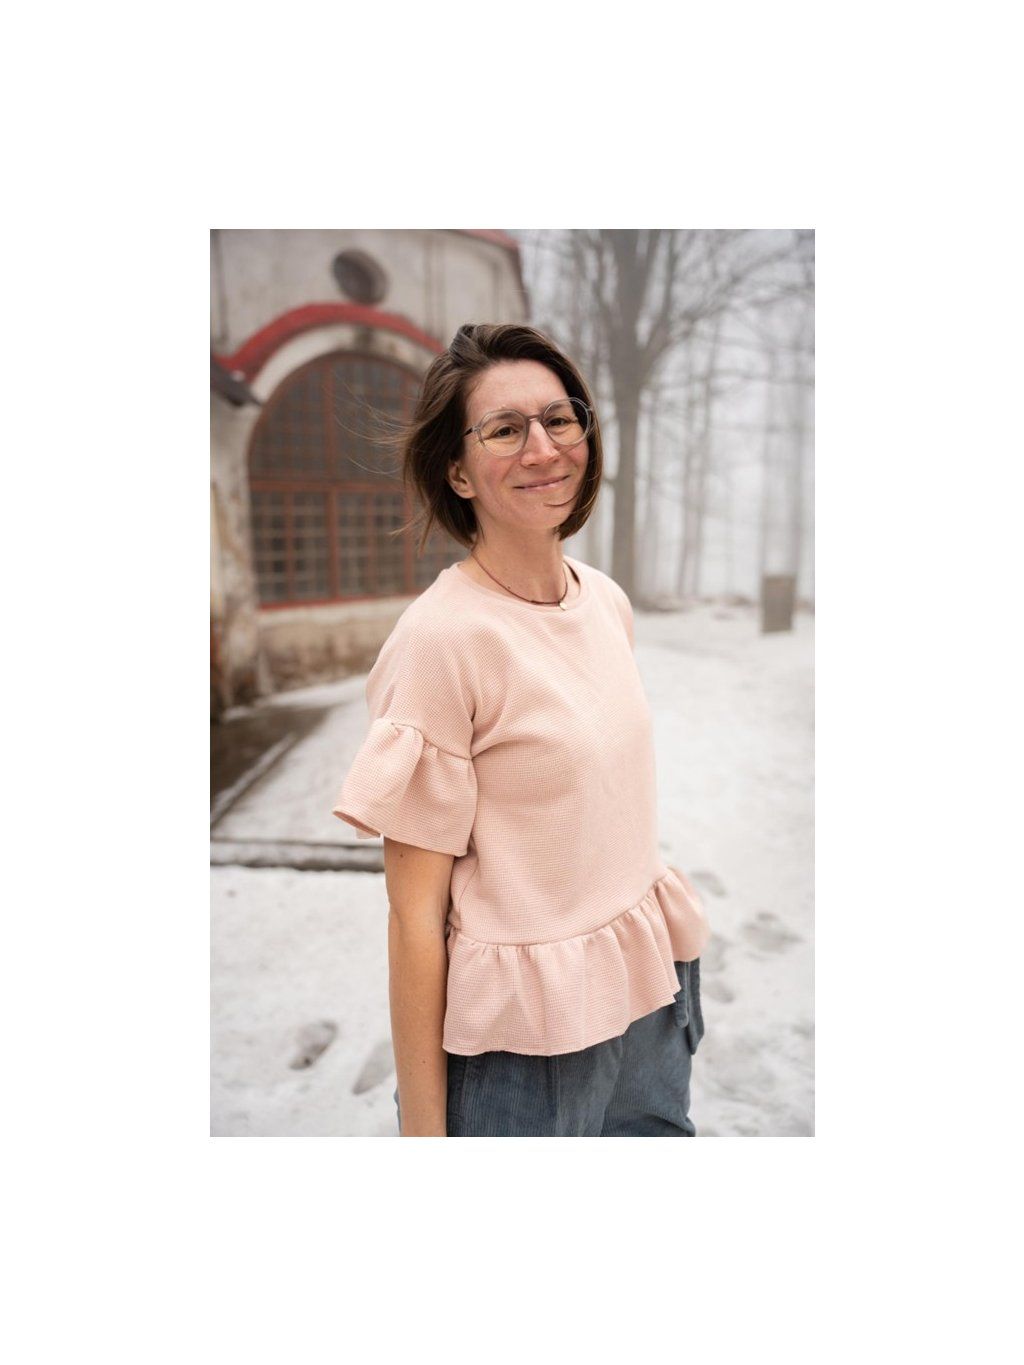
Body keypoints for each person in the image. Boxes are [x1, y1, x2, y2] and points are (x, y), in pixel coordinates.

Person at [332, 322, 709, 1137]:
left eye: (558, 418)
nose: (544, 447)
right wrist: (425, 1132)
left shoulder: (604, 600)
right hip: (528, 1046)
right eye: (505, 429)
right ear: (458, 471)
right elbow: (414, 918)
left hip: (649, 995)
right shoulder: (441, 641)